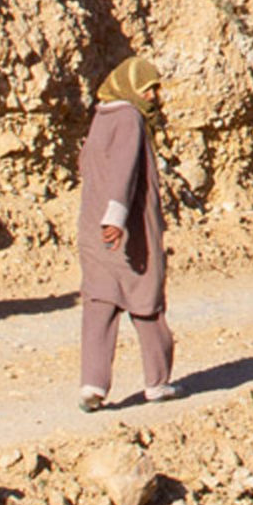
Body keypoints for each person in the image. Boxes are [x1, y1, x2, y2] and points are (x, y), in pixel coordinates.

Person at [78, 56, 177, 411]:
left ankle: (93, 384)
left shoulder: (101, 117)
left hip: (92, 229)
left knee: (99, 303)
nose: (154, 96)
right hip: (125, 230)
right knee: (146, 302)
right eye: (149, 88)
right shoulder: (130, 118)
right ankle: (157, 381)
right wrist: (117, 217)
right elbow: (124, 170)